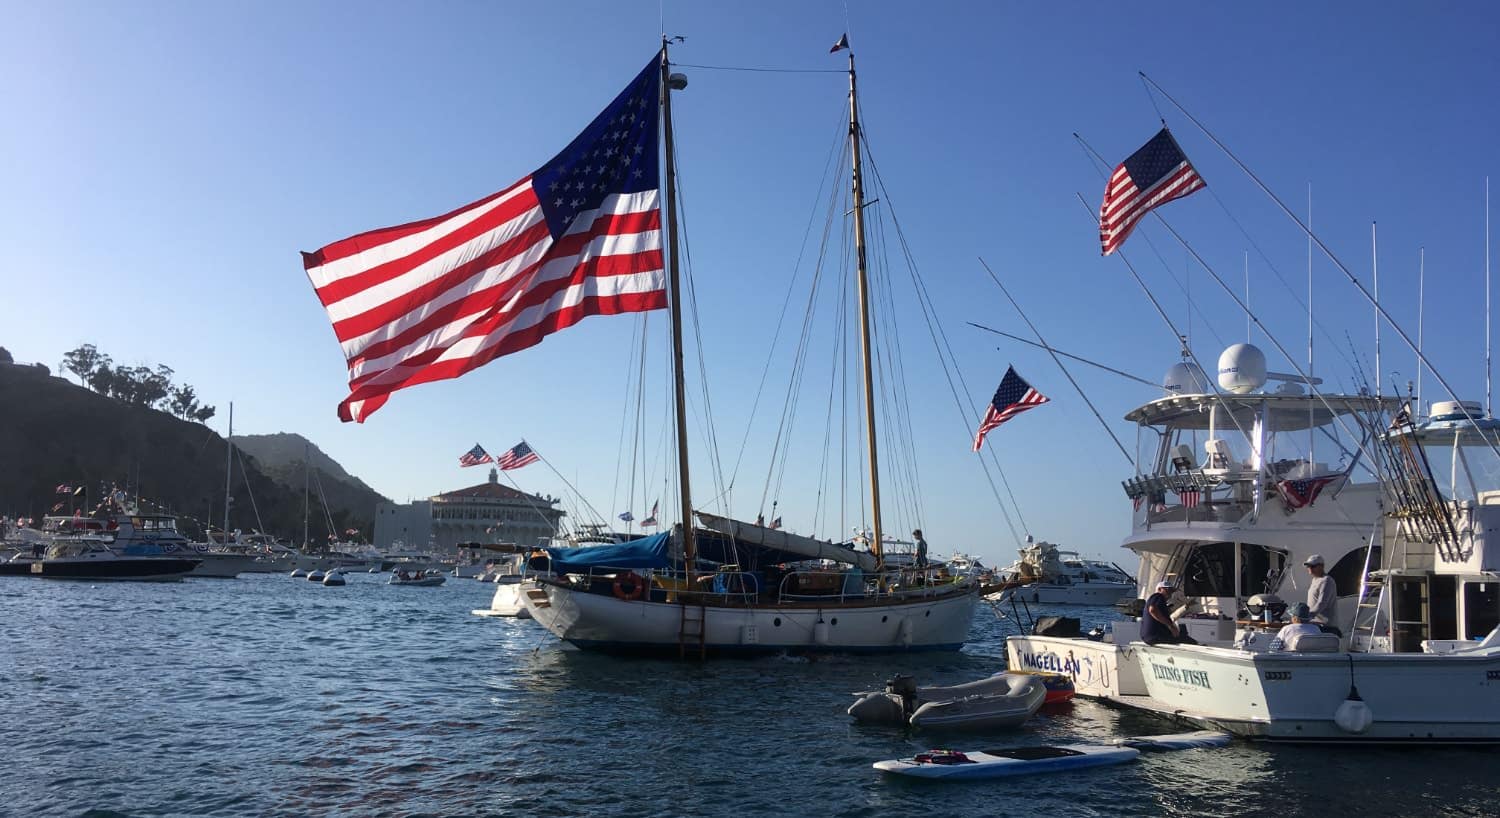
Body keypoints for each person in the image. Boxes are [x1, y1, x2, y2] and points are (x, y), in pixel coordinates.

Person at [1139, 578, 1196, 645]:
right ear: (1159, 589)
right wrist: (1170, 626)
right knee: (1188, 640)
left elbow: (1171, 615)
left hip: (1150, 636)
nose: (1170, 593)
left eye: (1171, 591)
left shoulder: (1160, 602)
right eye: (1167, 590)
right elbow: (1152, 610)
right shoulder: (1158, 596)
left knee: (1182, 633)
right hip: (1156, 636)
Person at [1304, 554, 1340, 633]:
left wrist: (1306, 616)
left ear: (1321, 566)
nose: (1310, 569)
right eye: (1308, 566)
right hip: (1315, 625)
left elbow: (1322, 603)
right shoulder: (1314, 580)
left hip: (1326, 627)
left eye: (1312, 566)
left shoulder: (1326, 580)